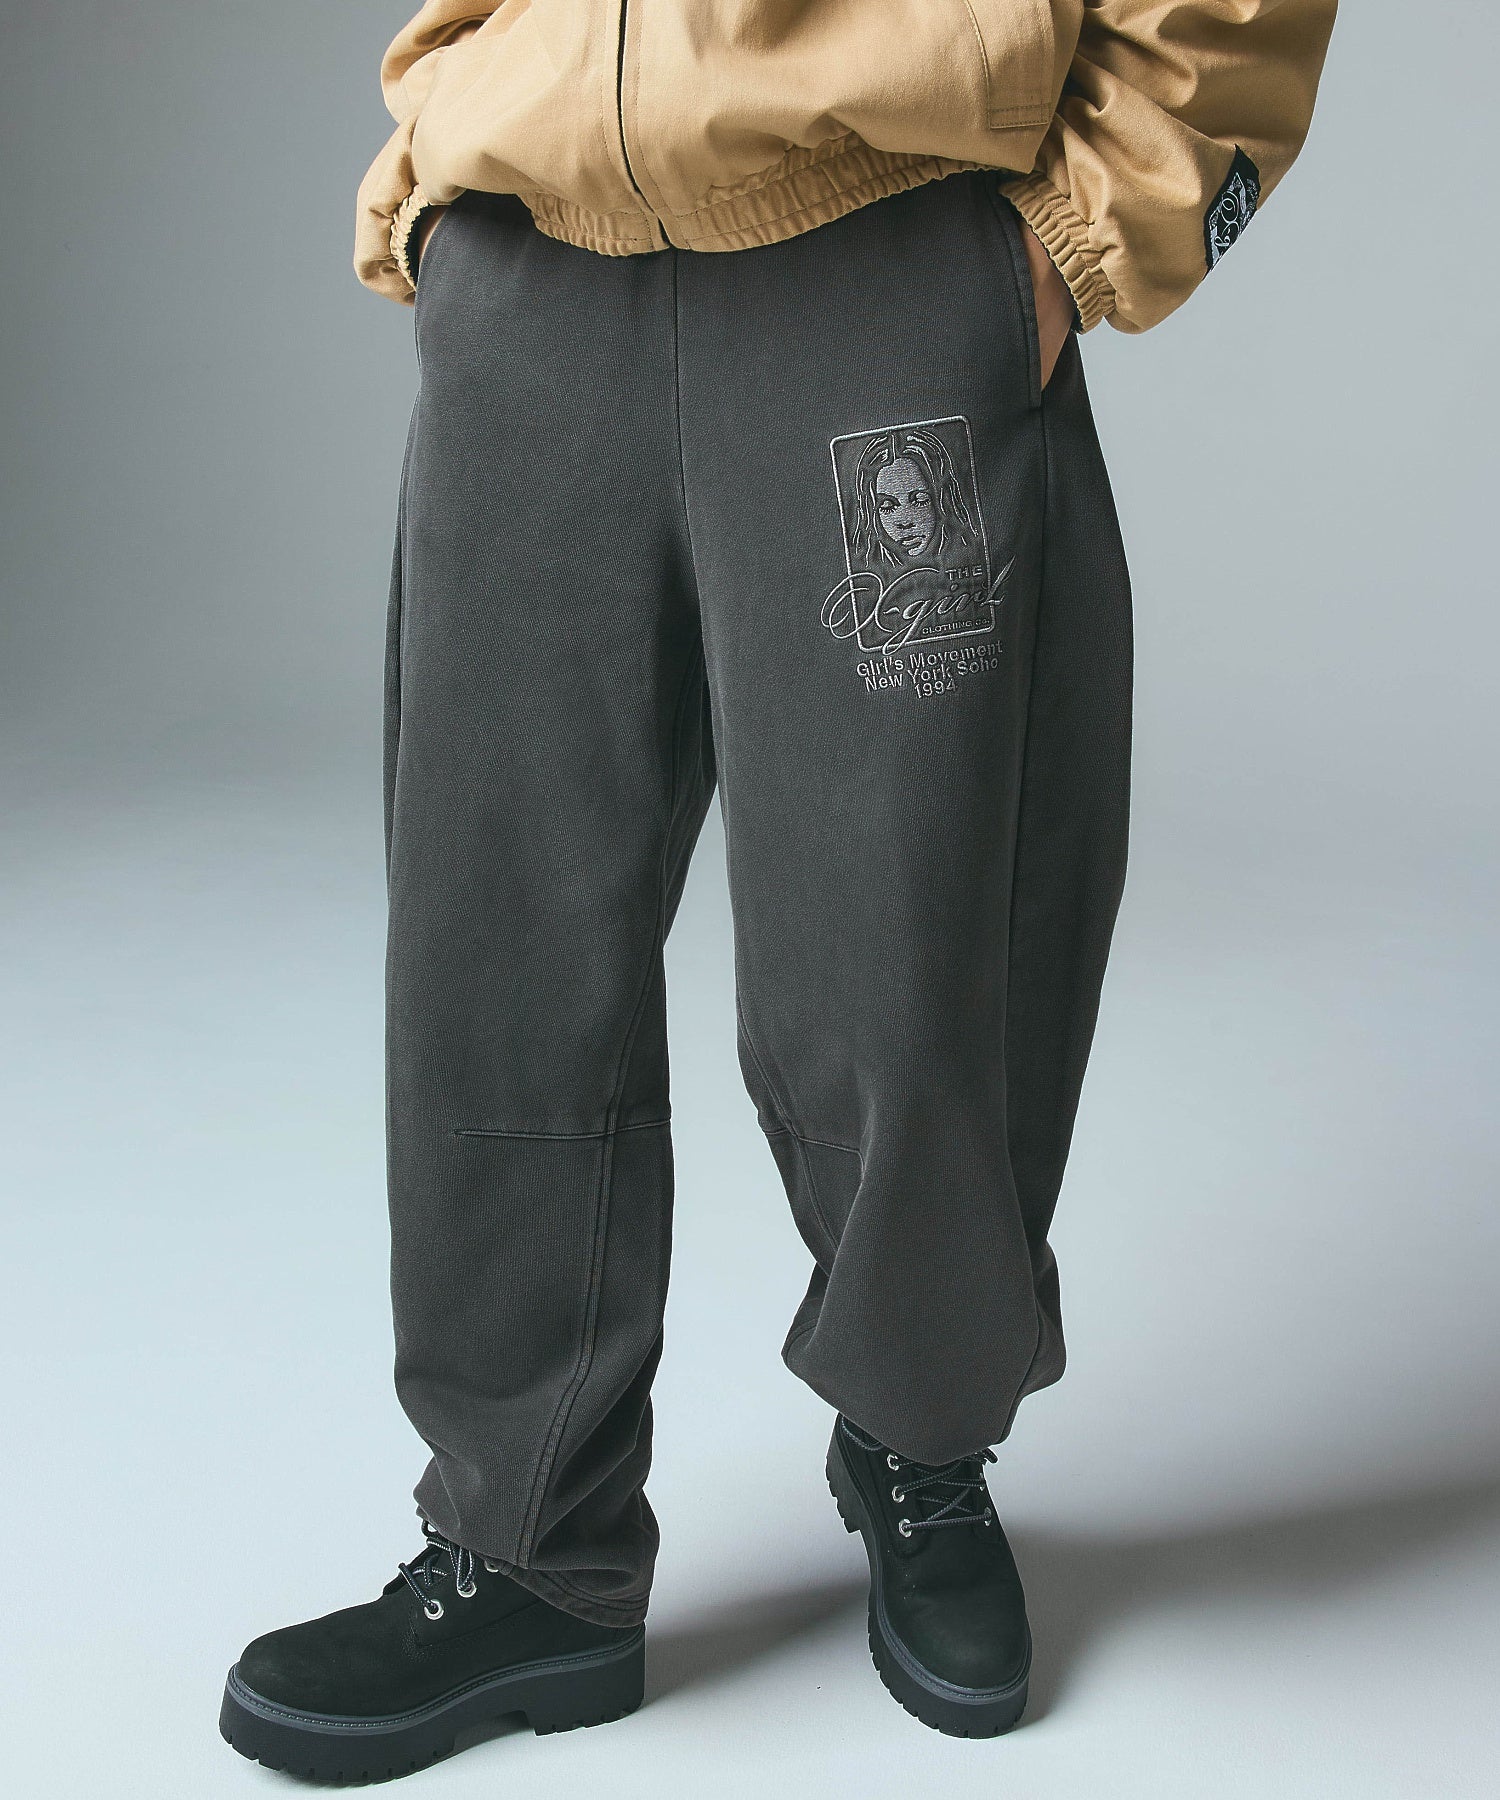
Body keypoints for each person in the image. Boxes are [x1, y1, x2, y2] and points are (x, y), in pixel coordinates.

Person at [220, 0, 1337, 1777]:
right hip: (533, 266)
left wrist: (1080, 238)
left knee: (912, 943)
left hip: (881, 249)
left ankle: (920, 1439)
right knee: (491, 954)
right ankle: (526, 1545)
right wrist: (438, 157)